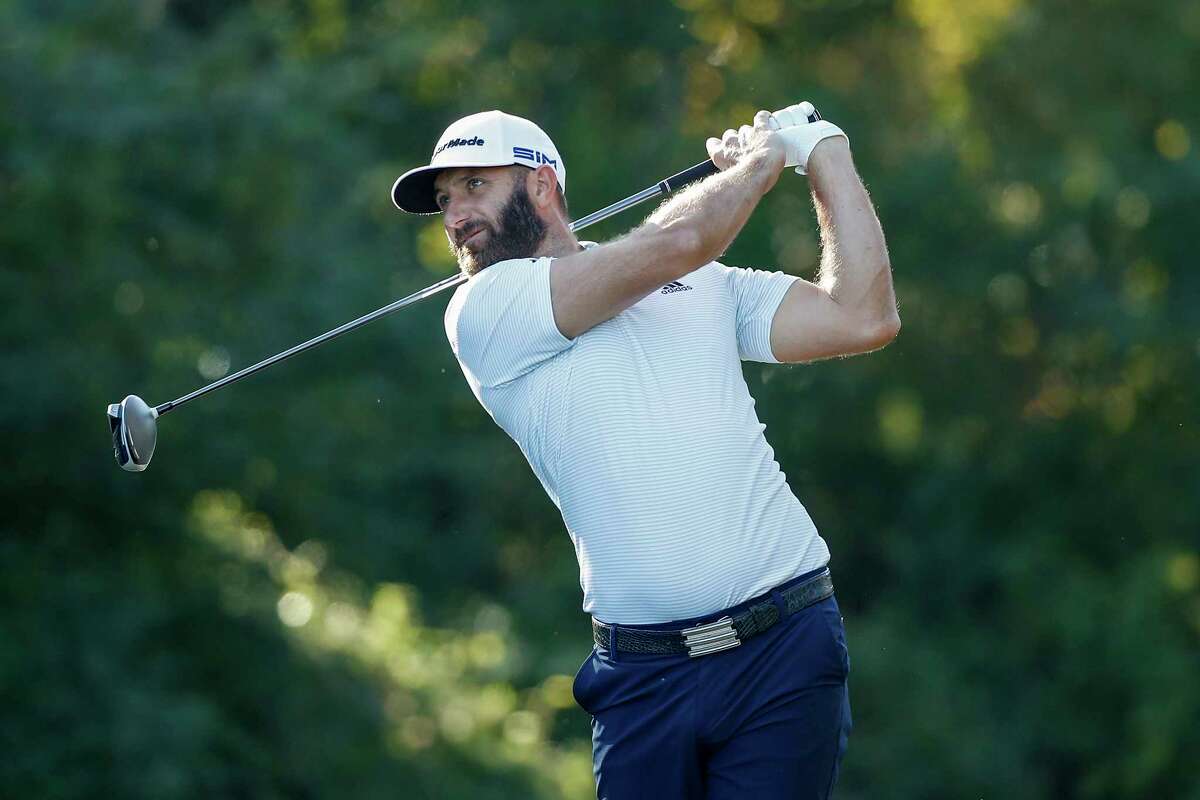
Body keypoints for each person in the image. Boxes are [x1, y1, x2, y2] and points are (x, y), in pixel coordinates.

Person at [391, 105, 898, 799]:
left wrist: (824, 152)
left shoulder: (704, 284)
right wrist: (760, 163)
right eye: (445, 200)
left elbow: (863, 316)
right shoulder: (483, 312)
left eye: (475, 185)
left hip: (786, 644)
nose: (455, 215)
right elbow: (683, 237)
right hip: (644, 679)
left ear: (541, 187)